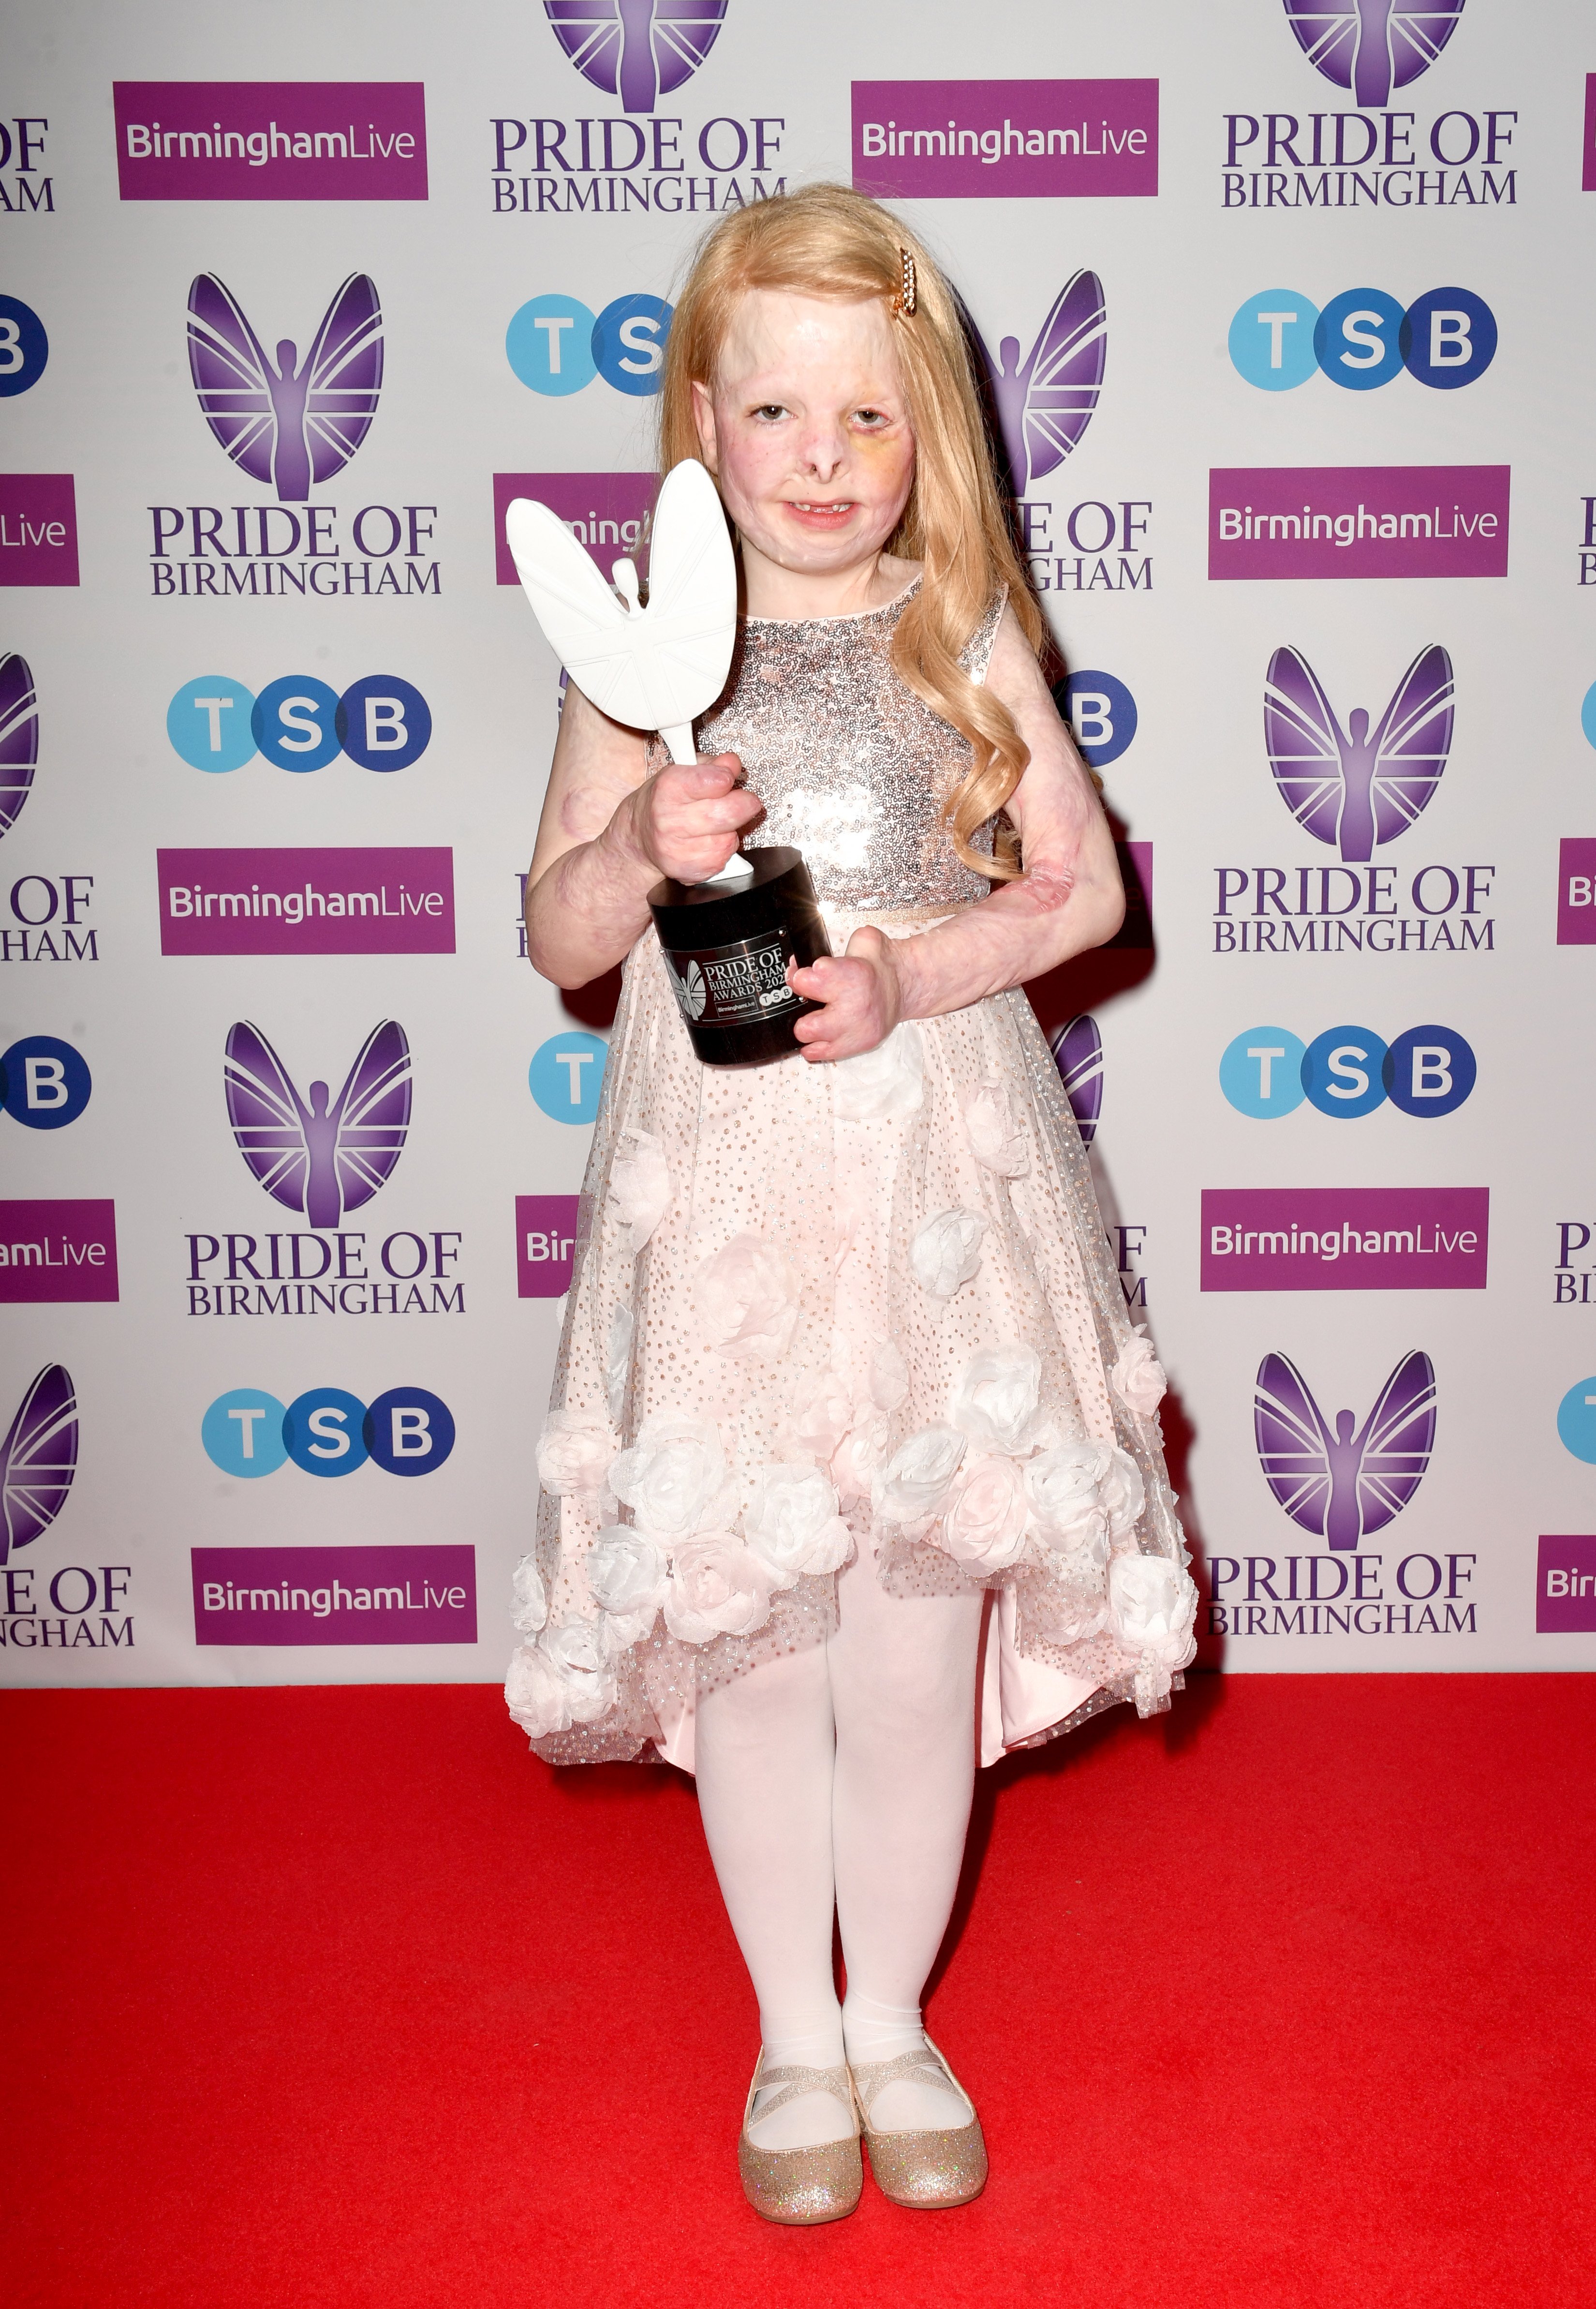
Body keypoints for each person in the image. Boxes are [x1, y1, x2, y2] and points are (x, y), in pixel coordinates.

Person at [506, 185, 1196, 2225]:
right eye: (780, 414)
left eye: (870, 421)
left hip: (931, 1202)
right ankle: (791, 2045)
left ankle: (891, 2015)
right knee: (755, 1650)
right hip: (725, 1218)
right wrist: (640, 838)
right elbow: (555, 932)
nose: (824, 462)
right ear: (701, 425)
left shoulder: (958, 624)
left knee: (909, 1641)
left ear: (934, 434)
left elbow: (1083, 891)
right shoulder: (643, 656)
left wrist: (914, 968)